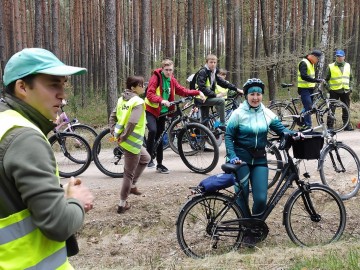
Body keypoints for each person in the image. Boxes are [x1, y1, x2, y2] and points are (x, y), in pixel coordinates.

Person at [0, 48, 94, 268]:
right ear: (22, 87)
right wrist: (75, 200)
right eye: (53, 84)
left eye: (63, 84)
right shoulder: (25, 139)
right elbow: (58, 224)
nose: (62, 94)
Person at [224, 78, 293, 245]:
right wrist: (232, 155)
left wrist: (293, 133)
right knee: (242, 196)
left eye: (258, 94)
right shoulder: (238, 113)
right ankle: (246, 229)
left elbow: (281, 128)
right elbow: (228, 136)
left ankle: (254, 226)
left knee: (261, 198)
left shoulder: (266, 113)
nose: (255, 97)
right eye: (252, 94)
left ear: (262, 95)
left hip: (260, 160)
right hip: (240, 160)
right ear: (246, 95)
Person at [145, 59, 205, 173]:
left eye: (170, 70)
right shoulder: (156, 78)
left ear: (173, 70)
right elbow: (150, 94)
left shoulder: (172, 80)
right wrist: (161, 100)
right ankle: (148, 157)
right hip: (151, 110)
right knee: (153, 131)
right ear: (162, 69)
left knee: (160, 136)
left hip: (162, 112)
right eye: (166, 70)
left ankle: (160, 164)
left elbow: (182, 90)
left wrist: (197, 92)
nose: (168, 72)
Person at [109, 76, 151, 214]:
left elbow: (112, 116)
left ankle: (132, 186)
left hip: (126, 140)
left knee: (146, 159)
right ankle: (122, 204)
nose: (143, 87)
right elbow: (132, 122)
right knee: (128, 174)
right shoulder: (138, 102)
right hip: (131, 142)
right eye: (140, 85)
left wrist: (113, 131)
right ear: (133, 87)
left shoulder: (122, 99)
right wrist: (123, 136)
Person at [195, 54, 243, 131]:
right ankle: (222, 124)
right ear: (207, 62)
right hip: (201, 98)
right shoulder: (203, 72)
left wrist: (236, 89)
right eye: (211, 62)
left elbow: (223, 82)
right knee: (220, 102)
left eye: (214, 62)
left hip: (207, 97)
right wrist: (216, 95)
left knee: (205, 120)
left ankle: (199, 137)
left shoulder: (213, 72)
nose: (213, 64)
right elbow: (202, 87)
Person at [324, 49, 354, 131]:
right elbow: (325, 80)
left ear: (344, 57)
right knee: (331, 108)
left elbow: (351, 78)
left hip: (345, 90)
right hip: (334, 91)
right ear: (336, 57)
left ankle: (347, 125)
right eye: (337, 56)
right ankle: (330, 126)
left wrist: (350, 88)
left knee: (346, 108)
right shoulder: (331, 66)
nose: (339, 58)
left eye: (341, 56)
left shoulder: (348, 65)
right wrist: (329, 89)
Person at [297, 49, 325, 129]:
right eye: (318, 58)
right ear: (313, 56)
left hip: (310, 88)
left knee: (309, 107)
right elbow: (304, 76)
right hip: (304, 89)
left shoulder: (311, 63)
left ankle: (300, 119)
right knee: (308, 107)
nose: (318, 60)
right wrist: (316, 80)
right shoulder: (304, 63)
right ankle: (308, 126)